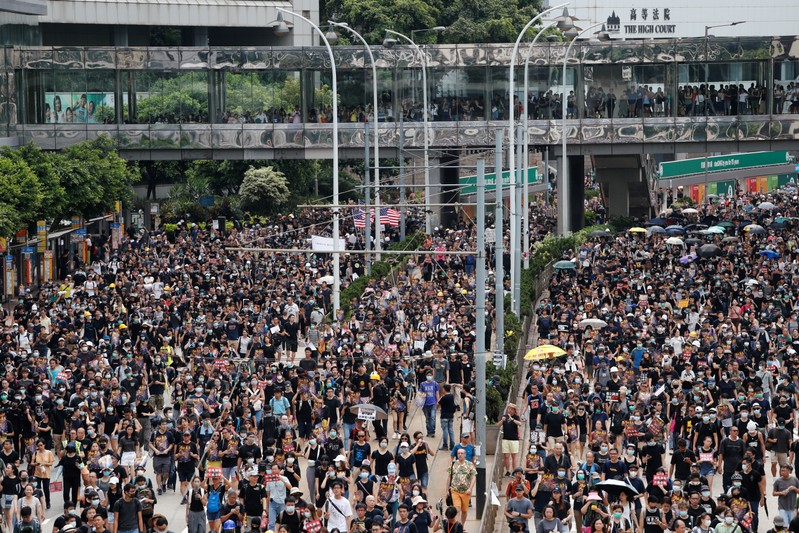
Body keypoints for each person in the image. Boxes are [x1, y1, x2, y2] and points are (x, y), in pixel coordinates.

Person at [447, 448, 477, 525]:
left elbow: (473, 477)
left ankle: (462, 525)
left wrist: (470, 488)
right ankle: (456, 526)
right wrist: (447, 490)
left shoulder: (469, 464)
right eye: (458, 453)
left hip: (465, 491)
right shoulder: (453, 464)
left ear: (465, 455)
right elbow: (449, 477)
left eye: (461, 453)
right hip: (455, 490)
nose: (460, 455)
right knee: (457, 509)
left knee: (464, 510)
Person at [501, 404, 523, 477]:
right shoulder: (505, 416)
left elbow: (520, 424)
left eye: (511, 409)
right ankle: (508, 471)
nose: (509, 410)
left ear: (514, 410)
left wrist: (512, 419)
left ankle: (514, 471)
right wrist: (502, 420)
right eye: (508, 409)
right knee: (506, 456)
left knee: (514, 456)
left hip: (514, 439)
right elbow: (498, 425)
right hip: (505, 438)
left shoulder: (516, 417)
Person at [419, 373, 441, 438]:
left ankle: (432, 431)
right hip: (425, 404)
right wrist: (423, 394)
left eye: (430, 375)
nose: (429, 376)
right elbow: (420, 393)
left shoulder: (435, 384)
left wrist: (438, 401)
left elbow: (437, 393)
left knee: (433, 417)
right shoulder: (422, 384)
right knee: (427, 419)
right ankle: (429, 431)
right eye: (428, 375)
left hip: (433, 403)